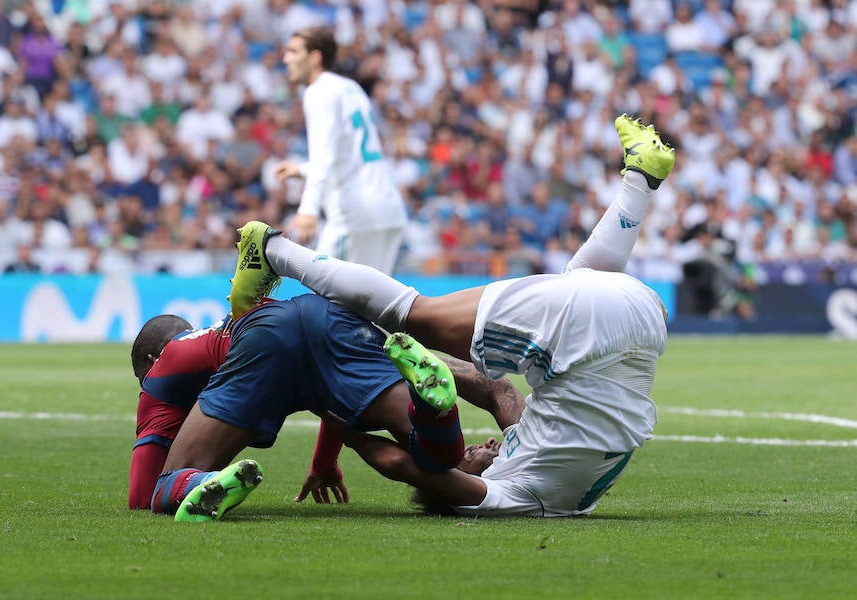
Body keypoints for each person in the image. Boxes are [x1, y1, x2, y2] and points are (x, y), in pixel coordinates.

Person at [227, 114, 676, 516]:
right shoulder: (511, 493)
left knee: (577, 285)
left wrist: (399, 363)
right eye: (468, 458)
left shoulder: (568, 487)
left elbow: (497, 391)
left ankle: (640, 181)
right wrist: (333, 412)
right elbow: (403, 465)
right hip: (596, 329)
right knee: (414, 314)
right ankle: (272, 250)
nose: (481, 445)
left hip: (642, 317)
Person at [130, 295, 468, 521]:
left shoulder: (162, 371)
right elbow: (328, 408)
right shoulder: (221, 326)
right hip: (320, 317)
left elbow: (140, 496)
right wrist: (324, 462)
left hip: (264, 344)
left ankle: (208, 481)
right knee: (438, 456)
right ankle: (433, 409)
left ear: (151, 359)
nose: (144, 386)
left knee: (163, 489)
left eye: (140, 378)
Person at [272, 26, 407, 276]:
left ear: (315, 57)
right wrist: (302, 170)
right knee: (373, 300)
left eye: (293, 51)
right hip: (387, 210)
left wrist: (308, 209)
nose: (286, 58)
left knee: (325, 295)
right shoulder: (349, 87)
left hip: (355, 216)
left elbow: (324, 155)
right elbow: (349, 154)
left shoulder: (318, 92)